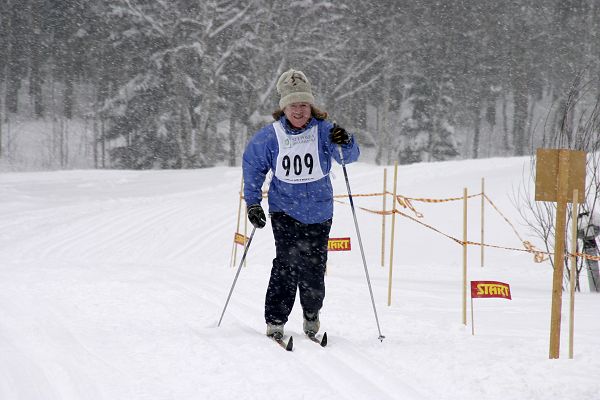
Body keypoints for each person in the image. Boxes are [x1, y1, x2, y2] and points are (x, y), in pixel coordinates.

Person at [242, 68, 360, 339]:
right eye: (294, 105)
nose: (299, 111)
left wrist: (347, 140)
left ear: (311, 105)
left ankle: (311, 312)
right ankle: (276, 319)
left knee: (314, 267)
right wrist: (253, 204)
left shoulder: (324, 131)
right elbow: (253, 168)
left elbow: (347, 157)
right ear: (284, 107)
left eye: (304, 105)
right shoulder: (269, 137)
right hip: (284, 210)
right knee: (286, 264)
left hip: (319, 210)